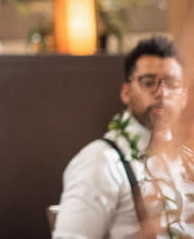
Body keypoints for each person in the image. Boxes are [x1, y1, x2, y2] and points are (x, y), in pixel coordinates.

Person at [52, 36, 193, 239]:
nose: (161, 93)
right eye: (148, 82)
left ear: (184, 96)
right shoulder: (101, 161)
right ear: (126, 92)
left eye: (171, 83)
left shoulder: (186, 160)